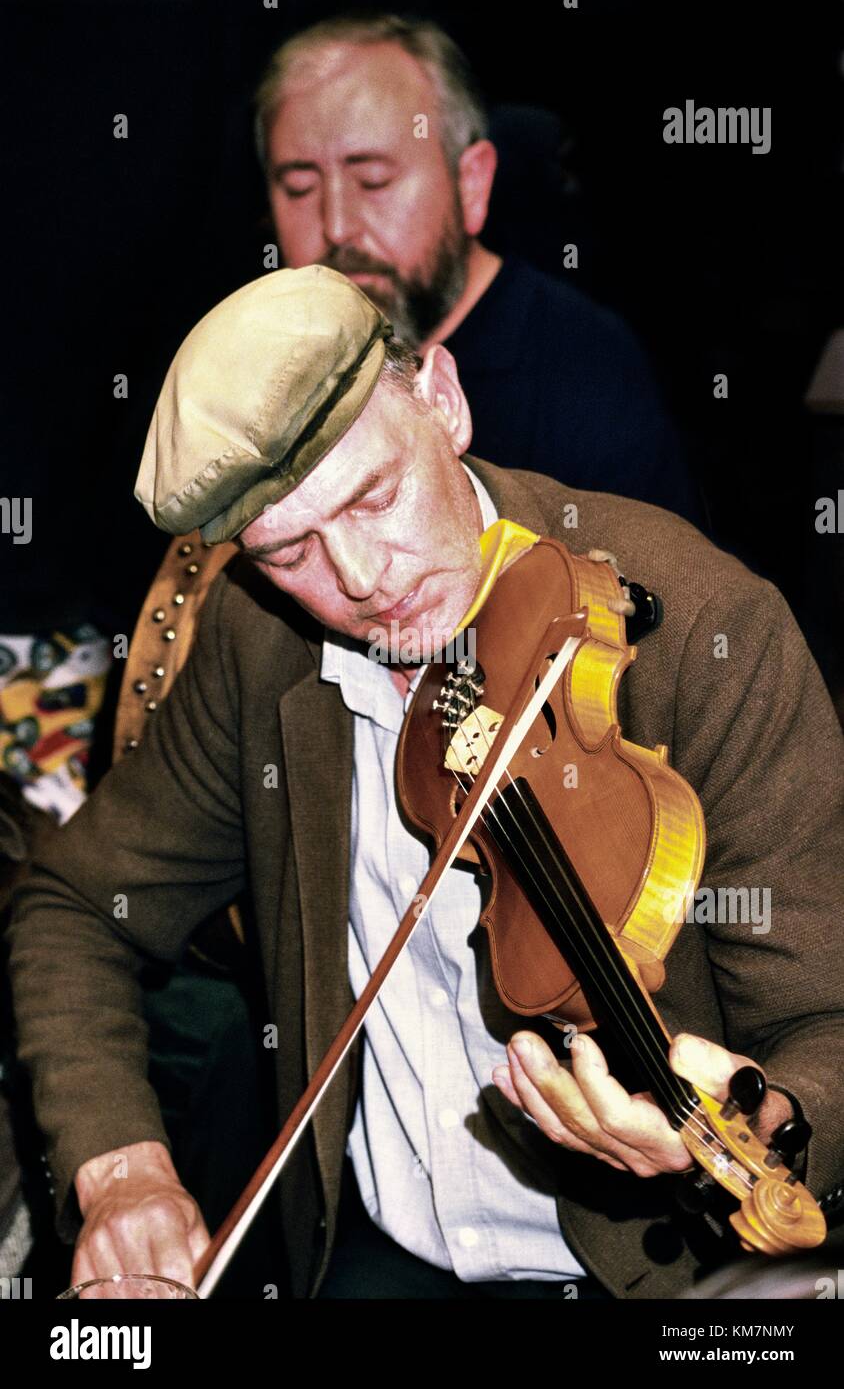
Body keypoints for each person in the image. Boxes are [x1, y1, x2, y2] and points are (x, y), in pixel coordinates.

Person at [7, 266, 844, 1300]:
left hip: (652, 1275)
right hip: (376, 1260)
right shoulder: (257, 640)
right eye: (290, 547)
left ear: (440, 397)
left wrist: (757, 1119)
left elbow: (828, 1025)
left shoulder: (705, 632)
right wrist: (120, 1167)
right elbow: (73, 902)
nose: (361, 576)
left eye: (374, 494)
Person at [255, 13, 705, 527]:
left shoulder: (584, 384)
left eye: (374, 180)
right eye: (298, 187)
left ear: (471, 183)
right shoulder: (262, 372)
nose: (336, 226)